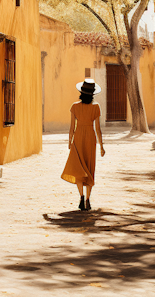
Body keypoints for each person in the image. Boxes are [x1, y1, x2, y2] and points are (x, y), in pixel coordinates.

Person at [61, 78, 105, 210]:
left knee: (79, 168)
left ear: (81, 92)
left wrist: (70, 142)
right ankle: (87, 199)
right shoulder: (96, 107)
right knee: (89, 167)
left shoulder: (74, 107)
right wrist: (102, 146)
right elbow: (98, 129)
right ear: (93, 94)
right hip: (90, 139)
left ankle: (80, 196)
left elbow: (71, 128)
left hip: (78, 138)